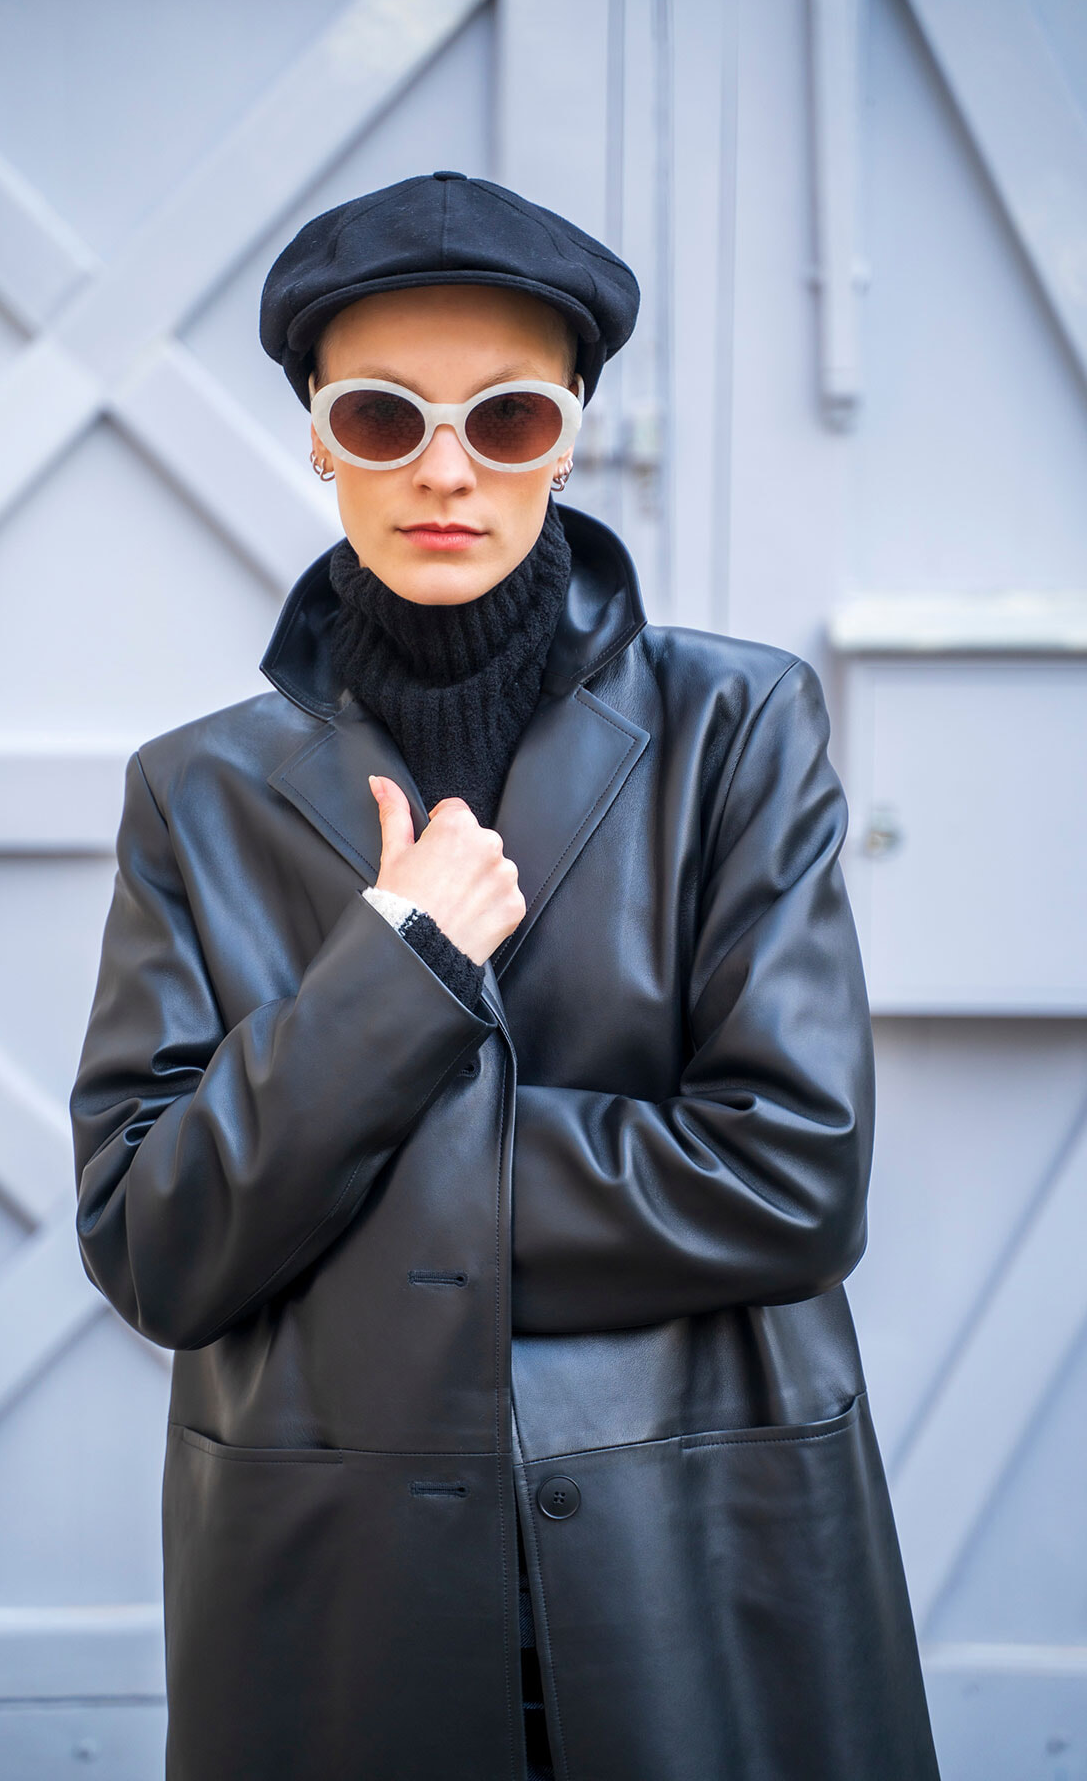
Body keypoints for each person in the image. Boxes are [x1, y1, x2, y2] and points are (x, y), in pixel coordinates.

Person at [69, 172, 940, 1781]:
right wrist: (395, 965)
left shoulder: (736, 731)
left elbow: (795, 1181)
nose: (447, 470)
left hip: (690, 1548)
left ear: (573, 433)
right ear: (320, 437)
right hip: (337, 1583)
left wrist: (321, 1187)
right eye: (385, 418)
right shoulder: (193, 793)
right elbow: (154, 1241)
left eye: (509, 417)